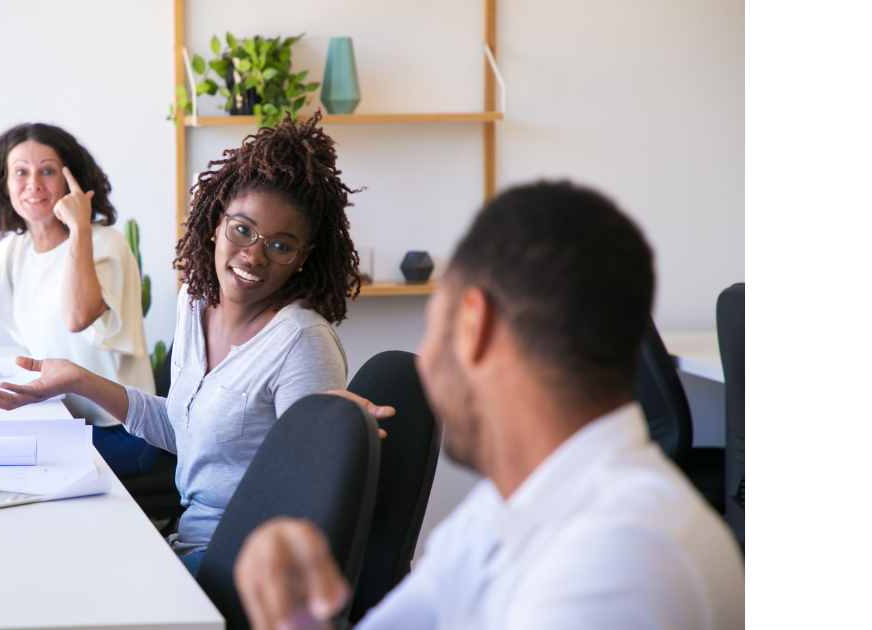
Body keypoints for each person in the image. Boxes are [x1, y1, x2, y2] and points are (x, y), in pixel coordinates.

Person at [233, 181, 745, 629]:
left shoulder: (622, 556)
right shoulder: (507, 506)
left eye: (433, 326)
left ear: (473, 325)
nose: (427, 366)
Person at [0, 111, 381, 576]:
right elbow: (183, 430)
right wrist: (78, 380)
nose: (253, 254)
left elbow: (310, 505)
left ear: (302, 259)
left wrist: (339, 439)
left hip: (244, 566)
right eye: (242, 229)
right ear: (216, 222)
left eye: (280, 245)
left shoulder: (302, 343)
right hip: (189, 545)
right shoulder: (195, 303)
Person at [0, 123, 158, 478]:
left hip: (123, 431)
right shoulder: (15, 250)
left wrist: (80, 228)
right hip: (61, 420)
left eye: (48, 171)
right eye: (21, 172)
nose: (34, 184)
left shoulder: (106, 244)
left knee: (1, 464)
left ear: (70, 179)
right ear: (5, 185)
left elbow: (77, 316)